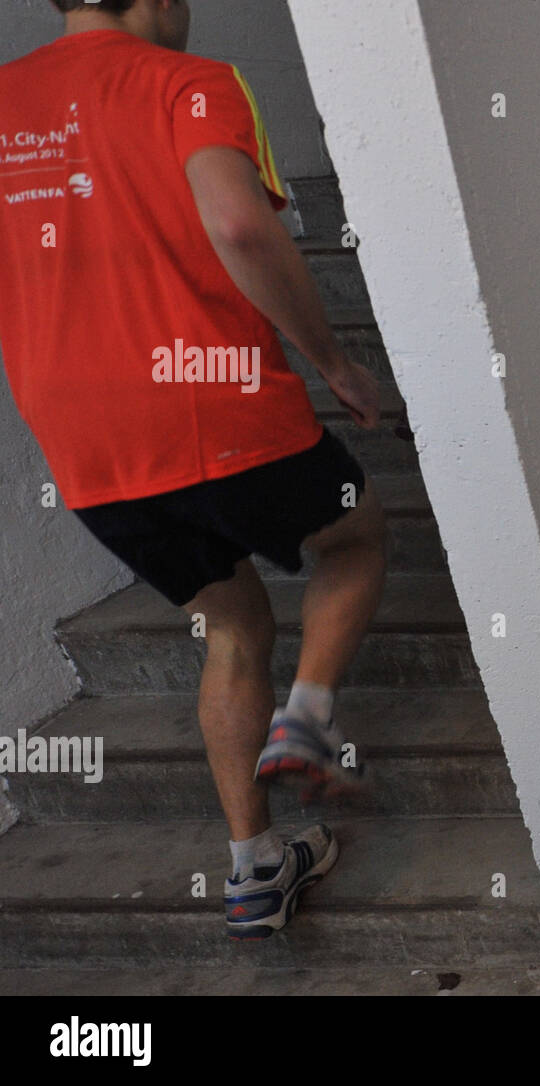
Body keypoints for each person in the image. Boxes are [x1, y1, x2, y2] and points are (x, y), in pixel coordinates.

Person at [0, 0, 387, 937]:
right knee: (360, 535)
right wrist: (333, 360)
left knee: (231, 621)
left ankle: (253, 868)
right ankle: (306, 720)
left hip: (84, 442)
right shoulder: (190, 81)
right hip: (212, 405)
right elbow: (240, 227)